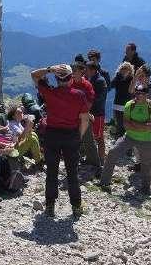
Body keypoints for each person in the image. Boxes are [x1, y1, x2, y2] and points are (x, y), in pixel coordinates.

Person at [31, 64, 90, 218]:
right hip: (71, 135)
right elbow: (84, 120)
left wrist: (50, 69)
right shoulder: (79, 95)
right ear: (71, 79)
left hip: (52, 135)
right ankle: (76, 206)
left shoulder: (49, 92)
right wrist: (79, 136)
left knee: (52, 171)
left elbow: (34, 74)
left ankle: (50, 206)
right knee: (72, 172)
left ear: (56, 79)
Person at [100, 83, 151, 195]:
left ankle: (146, 189)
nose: (138, 95)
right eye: (136, 93)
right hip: (129, 137)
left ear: (146, 94)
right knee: (112, 153)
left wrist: (134, 123)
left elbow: (150, 127)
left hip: (146, 140)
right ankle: (104, 182)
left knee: (147, 164)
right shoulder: (129, 104)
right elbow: (126, 125)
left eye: (141, 93)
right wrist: (143, 125)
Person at [71, 63, 100, 170]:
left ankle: (95, 164)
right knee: (73, 140)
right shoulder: (70, 83)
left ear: (81, 72)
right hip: (73, 117)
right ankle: (75, 161)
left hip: (83, 116)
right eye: (72, 71)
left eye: (75, 71)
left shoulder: (87, 85)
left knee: (89, 140)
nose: (72, 73)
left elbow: (89, 103)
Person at [86, 60, 108, 164]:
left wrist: (87, 102)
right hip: (90, 112)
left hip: (97, 113)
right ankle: (91, 158)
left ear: (93, 70)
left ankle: (101, 159)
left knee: (99, 137)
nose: (85, 71)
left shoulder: (100, 81)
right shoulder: (90, 79)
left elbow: (99, 98)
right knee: (89, 136)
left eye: (87, 69)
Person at [110, 62, 134, 138]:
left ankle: (125, 139)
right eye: (123, 69)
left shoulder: (131, 79)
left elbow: (132, 91)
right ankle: (119, 138)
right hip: (117, 104)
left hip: (127, 104)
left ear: (130, 70)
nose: (124, 71)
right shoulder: (117, 78)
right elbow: (110, 86)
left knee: (126, 123)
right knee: (118, 123)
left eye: (126, 69)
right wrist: (117, 76)